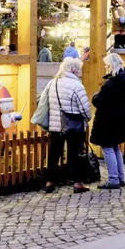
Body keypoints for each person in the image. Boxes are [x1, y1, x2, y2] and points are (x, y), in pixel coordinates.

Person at [44, 57, 92, 194]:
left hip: (56, 124)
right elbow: (85, 108)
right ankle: (77, 182)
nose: (79, 73)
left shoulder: (53, 83)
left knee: (54, 153)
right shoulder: (77, 85)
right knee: (75, 154)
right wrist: (87, 119)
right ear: (73, 70)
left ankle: (50, 181)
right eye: (78, 70)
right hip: (73, 125)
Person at [90, 53, 125, 189]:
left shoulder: (111, 83)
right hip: (119, 117)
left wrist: (95, 96)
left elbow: (99, 101)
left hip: (107, 120)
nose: (106, 67)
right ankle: (120, 177)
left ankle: (113, 179)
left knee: (108, 148)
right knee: (115, 148)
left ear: (112, 65)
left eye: (107, 65)